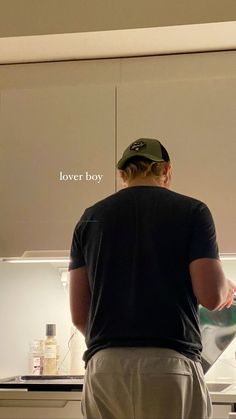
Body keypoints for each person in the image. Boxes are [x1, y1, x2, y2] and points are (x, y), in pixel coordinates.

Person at [69, 138, 236, 419]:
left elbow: (79, 316)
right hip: (169, 366)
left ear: (123, 173)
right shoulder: (193, 212)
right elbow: (211, 296)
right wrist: (225, 288)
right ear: (166, 170)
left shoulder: (90, 218)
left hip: (105, 368)